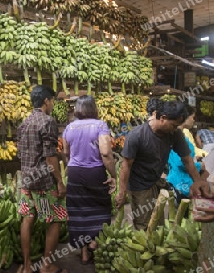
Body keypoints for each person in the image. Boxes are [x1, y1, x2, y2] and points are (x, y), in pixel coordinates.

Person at [115, 101, 202, 230]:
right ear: (163, 118)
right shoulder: (137, 135)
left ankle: (156, 248)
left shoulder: (175, 134)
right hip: (139, 184)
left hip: (157, 180)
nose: (175, 129)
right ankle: (145, 248)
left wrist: (198, 183)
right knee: (144, 224)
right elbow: (126, 166)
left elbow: (187, 160)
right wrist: (122, 192)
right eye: (173, 125)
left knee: (159, 223)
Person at [17, 85, 67, 273]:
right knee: (54, 219)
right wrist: (60, 181)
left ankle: (28, 265)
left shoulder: (24, 123)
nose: (53, 104)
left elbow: (20, 154)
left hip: (27, 181)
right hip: (44, 184)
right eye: (53, 100)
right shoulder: (48, 122)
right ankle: (47, 265)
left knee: (28, 218)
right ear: (46, 101)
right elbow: (50, 156)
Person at [62, 95, 116, 265]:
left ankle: (84, 253)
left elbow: (66, 152)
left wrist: (75, 163)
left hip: (75, 173)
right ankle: (94, 243)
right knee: (100, 208)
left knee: (79, 211)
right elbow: (106, 153)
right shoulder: (100, 125)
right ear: (93, 108)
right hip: (95, 173)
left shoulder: (69, 128)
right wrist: (113, 175)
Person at [167, 105, 208, 204]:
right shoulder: (179, 139)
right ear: (185, 117)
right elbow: (179, 162)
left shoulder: (176, 135)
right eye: (192, 117)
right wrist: (200, 165)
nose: (193, 120)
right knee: (181, 215)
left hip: (178, 180)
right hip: (180, 182)